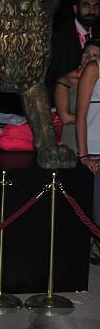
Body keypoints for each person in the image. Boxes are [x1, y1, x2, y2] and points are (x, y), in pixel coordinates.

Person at [75, 40, 100, 261]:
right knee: (94, 209)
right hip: (93, 147)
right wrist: (83, 155)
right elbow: (80, 114)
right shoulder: (95, 67)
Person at [54, 39, 100, 153]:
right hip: (73, 136)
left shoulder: (97, 81)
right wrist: (90, 117)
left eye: (94, 56)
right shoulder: (65, 81)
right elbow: (65, 117)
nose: (88, 58)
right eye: (86, 53)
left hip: (94, 136)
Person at [48, 0, 100, 87]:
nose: (92, 11)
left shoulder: (98, 33)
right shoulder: (58, 36)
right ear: (76, 9)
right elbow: (50, 77)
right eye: (86, 5)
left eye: (96, 6)